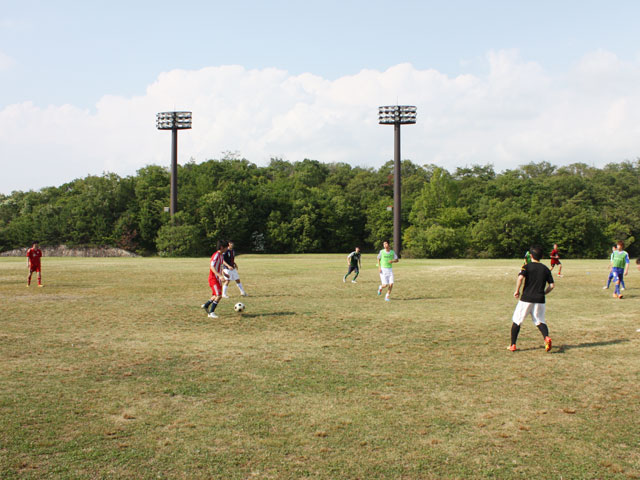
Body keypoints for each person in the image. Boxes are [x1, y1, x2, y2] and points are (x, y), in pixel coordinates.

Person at [509, 245, 554, 353]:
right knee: (540, 321)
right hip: (540, 299)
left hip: (526, 298)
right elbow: (552, 285)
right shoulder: (546, 269)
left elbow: (520, 278)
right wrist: (543, 293)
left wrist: (517, 290)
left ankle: (513, 345)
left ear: (531, 256)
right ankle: (546, 337)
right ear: (541, 256)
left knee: (517, 320)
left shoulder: (527, 266)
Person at [201, 240, 228, 319]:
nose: (227, 249)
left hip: (217, 279)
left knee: (215, 295)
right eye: (226, 247)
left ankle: (206, 305)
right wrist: (219, 275)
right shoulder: (216, 255)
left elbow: (219, 266)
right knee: (219, 295)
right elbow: (212, 267)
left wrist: (223, 273)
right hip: (213, 279)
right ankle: (211, 313)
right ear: (222, 247)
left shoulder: (221, 255)